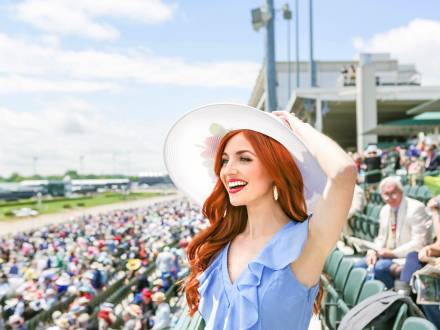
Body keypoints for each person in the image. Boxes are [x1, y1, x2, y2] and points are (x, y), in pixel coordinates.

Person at [163, 104, 356, 329]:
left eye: (244, 158)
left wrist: (293, 124)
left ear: (276, 168)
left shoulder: (304, 242)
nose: (228, 170)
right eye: (224, 160)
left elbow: (344, 173)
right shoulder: (222, 245)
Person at [355, 176, 432, 288]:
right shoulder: (385, 210)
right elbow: (381, 238)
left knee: (381, 267)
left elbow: (419, 242)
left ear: (401, 192)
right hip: (387, 254)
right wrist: (372, 252)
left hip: (406, 256)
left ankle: (394, 298)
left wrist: (393, 253)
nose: (390, 197)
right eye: (386, 194)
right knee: (359, 265)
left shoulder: (415, 208)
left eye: (393, 193)